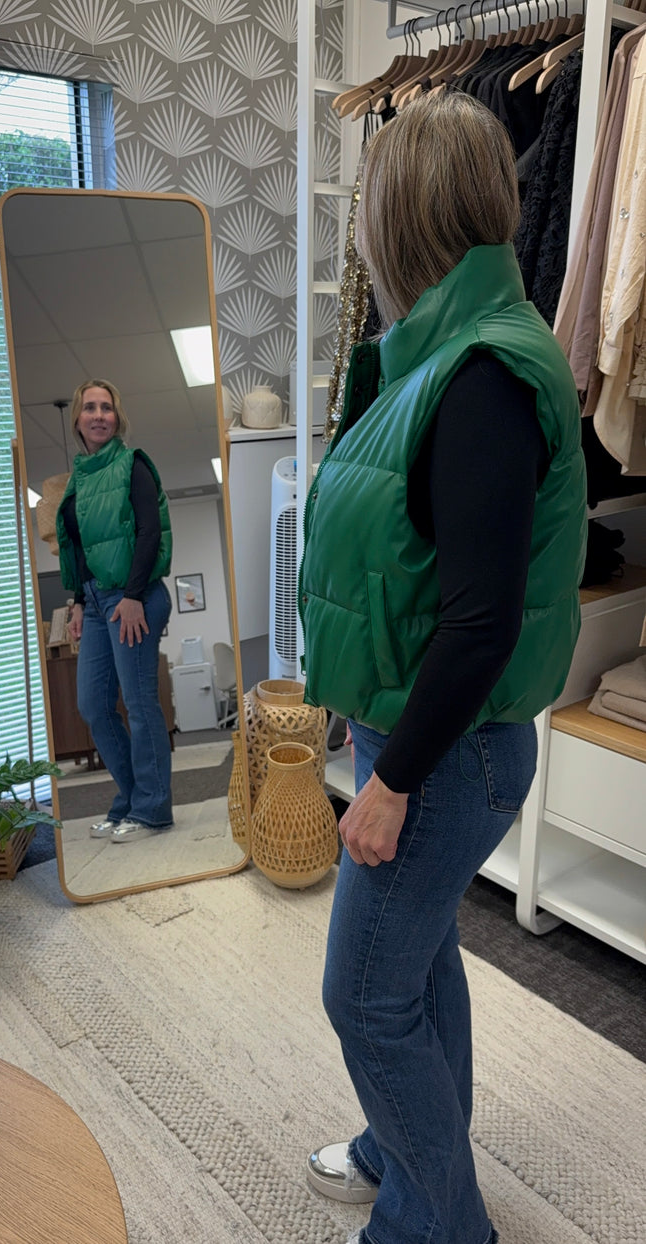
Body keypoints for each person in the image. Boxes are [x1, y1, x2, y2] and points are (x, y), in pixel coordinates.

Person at [298, 93, 587, 1244]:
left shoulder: (479, 375)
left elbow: (477, 624)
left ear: (397, 215)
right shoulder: (437, 353)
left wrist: (389, 780)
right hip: (427, 735)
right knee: (412, 967)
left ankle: (438, 1223)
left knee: (362, 993)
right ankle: (397, 1146)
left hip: (444, 748)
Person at [56, 379, 174, 843]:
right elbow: (79, 549)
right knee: (92, 705)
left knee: (140, 704)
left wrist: (130, 595)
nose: (99, 414)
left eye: (107, 407)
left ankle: (153, 809)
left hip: (133, 598)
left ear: (117, 417)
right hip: (97, 599)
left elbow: (150, 533)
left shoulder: (133, 464)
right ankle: (130, 799)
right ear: (78, 420)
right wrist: (79, 601)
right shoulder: (78, 477)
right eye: (90, 407)